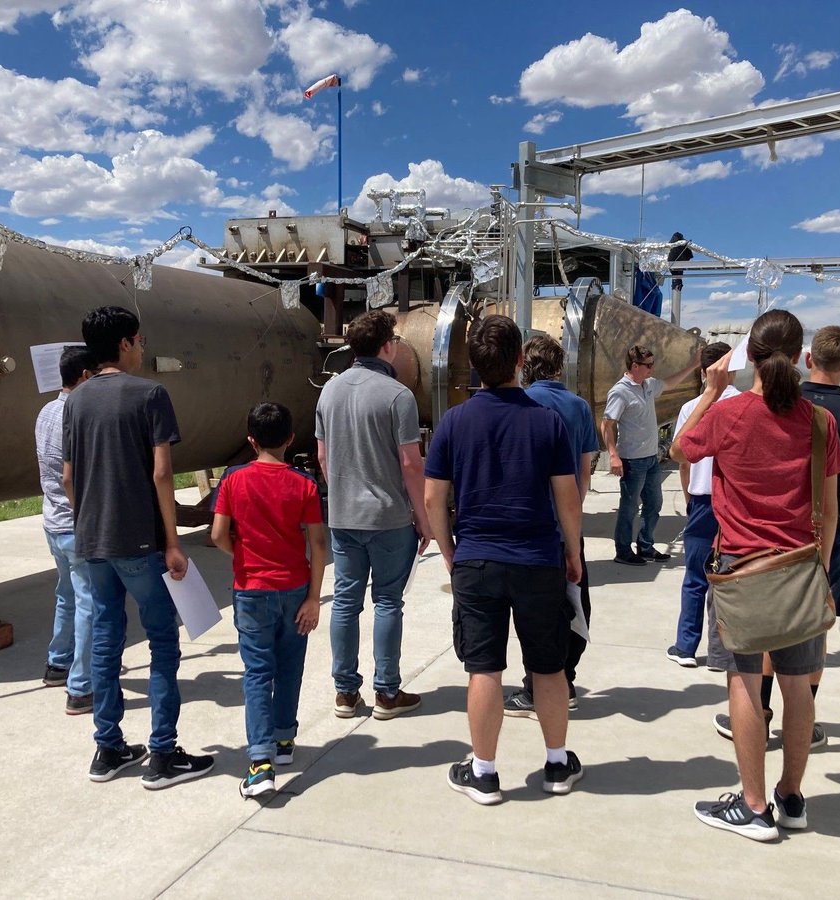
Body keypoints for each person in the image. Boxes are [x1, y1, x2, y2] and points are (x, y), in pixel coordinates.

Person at [672, 309, 840, 842]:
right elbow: (831, 507)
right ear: (799, 357)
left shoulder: (728, 415)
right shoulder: (820, 421)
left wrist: (711, 389)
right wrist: (820, 565)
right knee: (799, 689)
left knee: (746, 683)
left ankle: (752, 807)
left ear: (749, 355)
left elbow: (681, 448)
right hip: (799, 568)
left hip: (741, 569)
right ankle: (791, 798)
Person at [425, 315, 584, 806]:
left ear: (475, 366)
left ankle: (485, 771)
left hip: (477, 559)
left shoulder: (454, 421)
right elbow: (568, 498)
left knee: (484, 669)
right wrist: (573, 553)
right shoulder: (547, 420)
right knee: (548, 666)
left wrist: (451, 554)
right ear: (520, 361)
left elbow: (434, 500)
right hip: (537, 558)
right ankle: (557, 762)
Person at [63, 305, 214, 789]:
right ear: (125, 344)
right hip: (141, 540)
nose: (144, 347)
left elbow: (69, 477)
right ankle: (163, 753)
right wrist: (173, 542)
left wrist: (89, 520)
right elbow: (162, 473)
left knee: (106, 641)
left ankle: (108, 748)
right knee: (162, 639)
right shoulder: (150, 394)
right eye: (140, 340)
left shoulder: (76, 400)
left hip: (93, 540)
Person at [315, 310, 432, 720]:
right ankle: (387, 691)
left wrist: (342, 492)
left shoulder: (329, 392)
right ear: (388, 345)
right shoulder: (397, 395)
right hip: (387, 517)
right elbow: (411, 464)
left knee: (345, 603)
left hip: (343, 516)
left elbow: (323, 456)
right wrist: (424, 516)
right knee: (387, 602)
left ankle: (345, 692)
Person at [211, 402, 326, 799]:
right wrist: (314, 597)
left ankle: (259, 764)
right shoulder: (304, 484)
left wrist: (241, 555)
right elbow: (318, 543)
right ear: (291, 439)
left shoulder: (233, 480)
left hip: (251, 589)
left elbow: (217, 535)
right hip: (295, 589)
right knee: (290, 667)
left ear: (251, 440)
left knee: (258, 672)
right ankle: (283, 741)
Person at [504, 335, 596, 717]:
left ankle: (535, 686)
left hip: (529, 526)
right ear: (560, 367)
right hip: (566, 523)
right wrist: (573, 510)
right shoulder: (579, 407)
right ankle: (566, 678)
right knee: (575, 605)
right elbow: (585, 471)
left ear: (525, 366)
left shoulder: (521, 404)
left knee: (533, 613)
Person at [666, 342, 739, 668]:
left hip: (702, 499)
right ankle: (723, 650)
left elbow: (683, 460)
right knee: (729, 576)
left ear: (703, 371)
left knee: (695, 575)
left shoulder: (692, 407)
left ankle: (685, 647)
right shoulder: (744, 404)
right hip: (735, 503)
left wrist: (689, 496)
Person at [37, 345, 97, 714]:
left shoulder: (45, 411)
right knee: (90, 601)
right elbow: (73, 475)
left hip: (52, 521)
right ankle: (81, 686)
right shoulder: (78, 413)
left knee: (67, 595)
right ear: (86, 376)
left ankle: (58, 663)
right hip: (76, 523)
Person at [602, 344, 699, 566]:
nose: (652, 369)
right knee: (629, 507)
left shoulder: (648, 385)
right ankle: (623, 550)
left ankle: (645, 545)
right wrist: (613, 455)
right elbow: (607, 424)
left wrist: (693, 365)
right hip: (632, 461)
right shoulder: (620, 391)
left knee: (654, 504)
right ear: (634, 366)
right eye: (648, 365)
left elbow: (671, 382)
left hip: (650, 459)